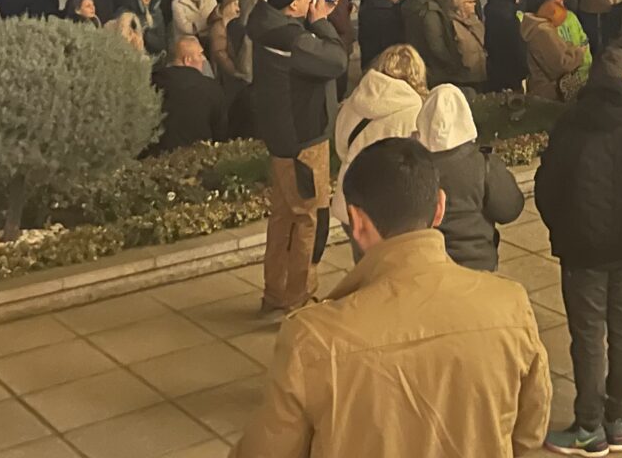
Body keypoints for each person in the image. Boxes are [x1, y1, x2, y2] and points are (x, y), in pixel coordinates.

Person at [234, 137, 552, 458]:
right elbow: (528, 437)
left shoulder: (313, 338)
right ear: (440, 208)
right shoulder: (510, 306)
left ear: (358, 221)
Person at [536, 46, 622, 456]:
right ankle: (617, 421)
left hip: (582, 248)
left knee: (588, 336)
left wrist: (563, 225)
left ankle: (588, 426)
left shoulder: (569, 123)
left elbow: (547, 188)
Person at [246, 0, 346, 313]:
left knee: (283, 217)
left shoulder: (266, 24)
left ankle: (275, 292)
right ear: (291, 5)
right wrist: (321, 23)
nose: (310, 0)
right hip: (304, 140)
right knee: (307, 219)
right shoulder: (291, 41)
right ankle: (299, 298)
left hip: (282, 137)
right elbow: (336, 60)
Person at [414, 83, 524, 270]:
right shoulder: (483, 164)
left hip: (428, 263)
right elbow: (509, 209)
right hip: (477, 262)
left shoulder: (412, 165)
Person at [333, 45, 428, 209]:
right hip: (391, 202)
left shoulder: (355, 99)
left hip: (351, 195)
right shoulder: (416, 111)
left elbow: (341, 146)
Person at [151, 37, 230, 152]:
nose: (203, 59)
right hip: (198, 156)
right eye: (200, 54)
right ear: (187, 60)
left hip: (156, 156)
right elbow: (220, 134)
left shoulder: (152, 83)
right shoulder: (211, 88)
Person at [522, 0, 591, 101]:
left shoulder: (538, 27)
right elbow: (561, 64)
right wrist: (579, 52)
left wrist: (571, 48)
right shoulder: (544, 33)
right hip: (549, 92)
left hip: (542, 87)